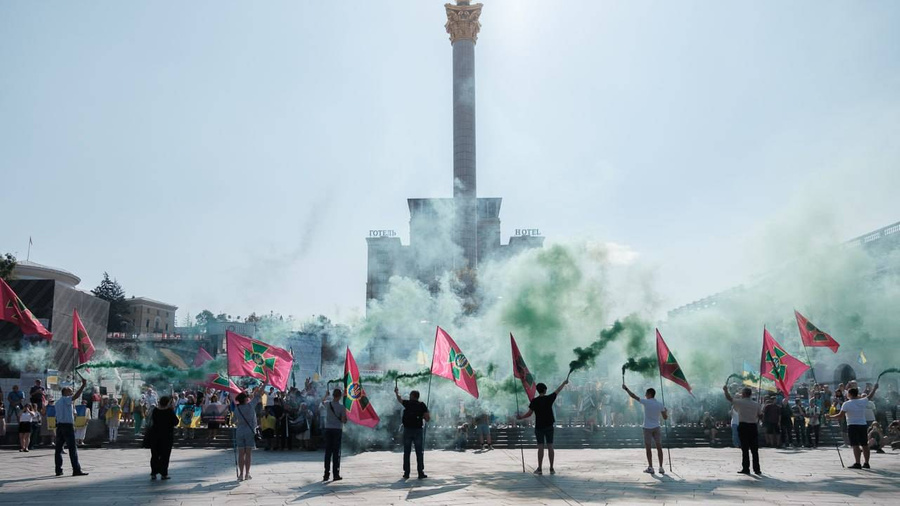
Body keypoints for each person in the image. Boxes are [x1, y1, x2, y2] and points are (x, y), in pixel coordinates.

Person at [517, 378, 569, 475]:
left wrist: (521, 417)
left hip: (539, 426)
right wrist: (564, 383)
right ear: (545, 390)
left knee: (540, 447)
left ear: (538, 390)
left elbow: (529, 414)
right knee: (550, 446)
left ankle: (540, 469)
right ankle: (551, 468)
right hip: (549, 425)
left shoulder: (534, 401)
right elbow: (558, 390)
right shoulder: (549, 398)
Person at [828, 384, 879, 469]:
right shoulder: (862, 401)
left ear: (850, 394)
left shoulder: (846, 404)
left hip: (852, 425)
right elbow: (870, 396)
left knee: (855, 445)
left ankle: (858, 463)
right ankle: (866, 463)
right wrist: (874, 388)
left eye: (848, 393)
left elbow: (840, 416)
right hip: (862, 424)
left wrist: (830, 417)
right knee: (864, 444)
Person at [623, 384, 668, 474]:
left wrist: (626, 389)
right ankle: (661, 467)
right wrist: (665, 411)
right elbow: (665, 417)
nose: (645, 395)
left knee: (648, 448)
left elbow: (633, 396)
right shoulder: (660, 404)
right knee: (659, 447)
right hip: (656, 427)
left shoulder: (646, 402)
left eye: (646, 393)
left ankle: (650, 467)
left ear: (650, 394)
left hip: (647, 427)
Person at [724, 386, 762, 475]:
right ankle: (757, 469)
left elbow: (729, 398)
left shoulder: (740, 402)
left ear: (744, 394)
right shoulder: (757, 404)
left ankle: (746, 468)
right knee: (754, 449)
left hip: (743, 426)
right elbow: (760, 416)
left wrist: (725, 390)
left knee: (745, 448)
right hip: (753, 426)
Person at [55, 377, 89, 477]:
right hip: (67, 426)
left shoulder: (58, 402)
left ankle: (58, 470)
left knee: (58, 449)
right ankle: (76, 469)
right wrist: (83, 385)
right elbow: (76, 396)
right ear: (65, 392)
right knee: (72, 448)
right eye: (70, 391)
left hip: (60, 426)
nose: (71, 393)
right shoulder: (66, 399)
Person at [394, 386, 430, 479]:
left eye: (410, 395)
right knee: (419, 452)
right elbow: (427, 418)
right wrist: (423, 415)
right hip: (418, 430)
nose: (409, 396)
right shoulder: (422, 405)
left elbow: (399, 399)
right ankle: (420, 472)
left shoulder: (408, 403)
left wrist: (396, 392)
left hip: (408, 430)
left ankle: (407, 473)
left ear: (414, 396)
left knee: (407, 452)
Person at [234, 386, 264, 482]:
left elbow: (233, 421)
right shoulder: (250, 406)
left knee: (241, 453)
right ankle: (247, 473)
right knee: (248, 454)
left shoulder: (237, 409)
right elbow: (258, 395)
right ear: (246, 399)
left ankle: (241, 474)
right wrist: (265, 382)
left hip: (240, 431)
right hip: (249, 431)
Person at [321, 388, 347, 481]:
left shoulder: (328, 404)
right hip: (337, 429)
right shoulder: (342, 407)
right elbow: (343, 420)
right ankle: (335, 474)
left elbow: (322, 401)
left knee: (328, 452)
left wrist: (326, 394)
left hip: (328, 429)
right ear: (339, 396)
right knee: (336, 453)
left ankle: (326, 474)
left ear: (333, 395)